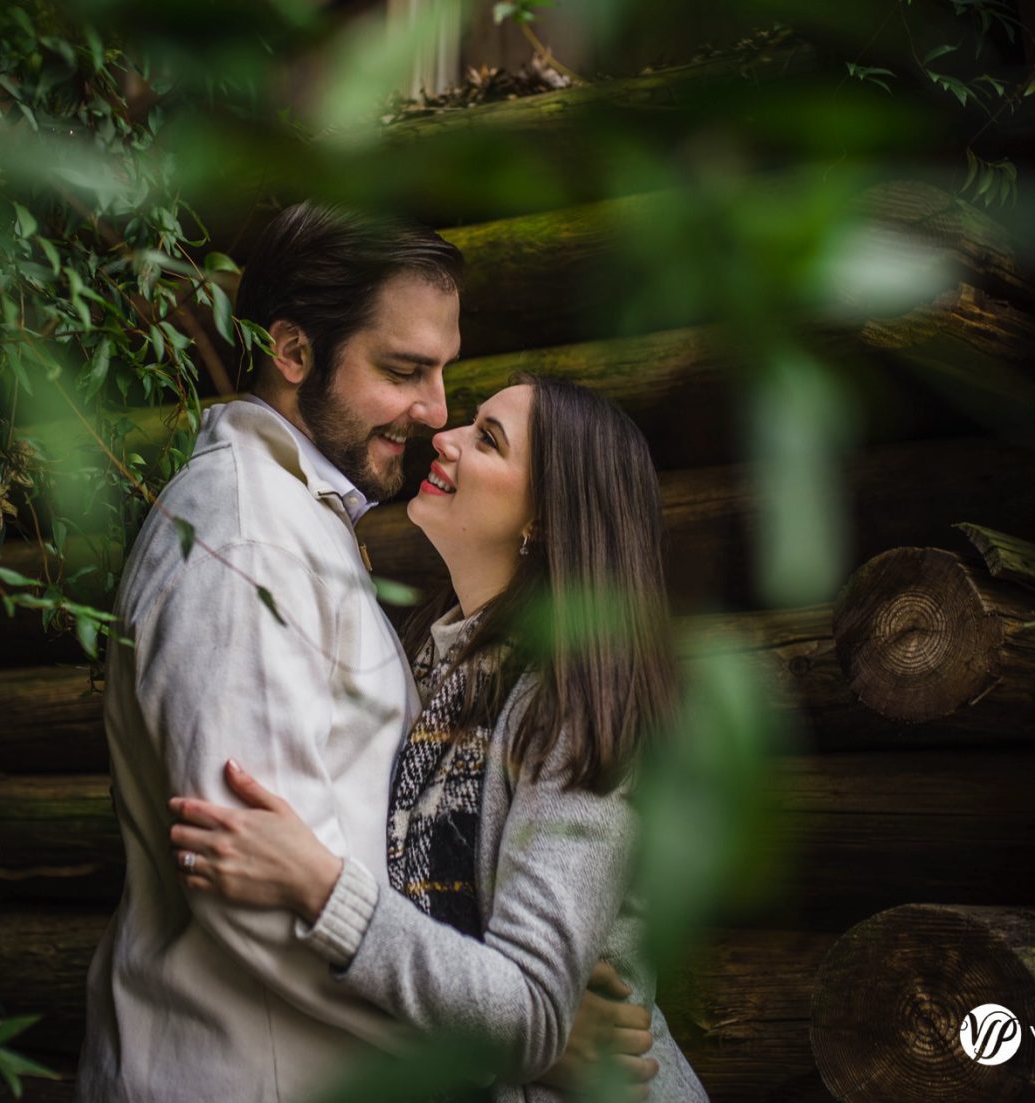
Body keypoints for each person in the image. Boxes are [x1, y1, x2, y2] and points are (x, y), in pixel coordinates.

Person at [75, 205, 654, 1103]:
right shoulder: (249, 540)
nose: (436, 414)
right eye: (403, 370)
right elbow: (249, 895)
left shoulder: (317, 534)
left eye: (444, 376)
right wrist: (518, 1043)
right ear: (295, 353)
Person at [167, 376, 711, 1102]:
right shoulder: (427, 657)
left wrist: (319, 885)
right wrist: (526, 1045)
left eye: (486, 438)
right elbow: (521, 1023)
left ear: (546, 519)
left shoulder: (577, 700)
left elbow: (530, 1011)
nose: (443, 438)